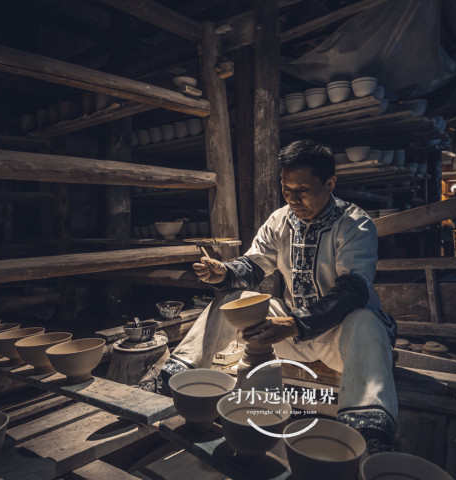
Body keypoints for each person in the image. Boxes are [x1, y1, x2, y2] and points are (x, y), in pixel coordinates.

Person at [143, 140, 398, 454]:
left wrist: (294, 323)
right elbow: (253, 264)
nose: (292, 198)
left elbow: (352, 292)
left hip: (341, 338)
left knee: (366, 319)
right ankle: (174, 378)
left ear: (330, 184)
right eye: (286, 188)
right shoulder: (280, 220)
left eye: (301, 189)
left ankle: (370, 433)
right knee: (231, 299)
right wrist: (223, 271)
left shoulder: (354, 224)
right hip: (288, 330)